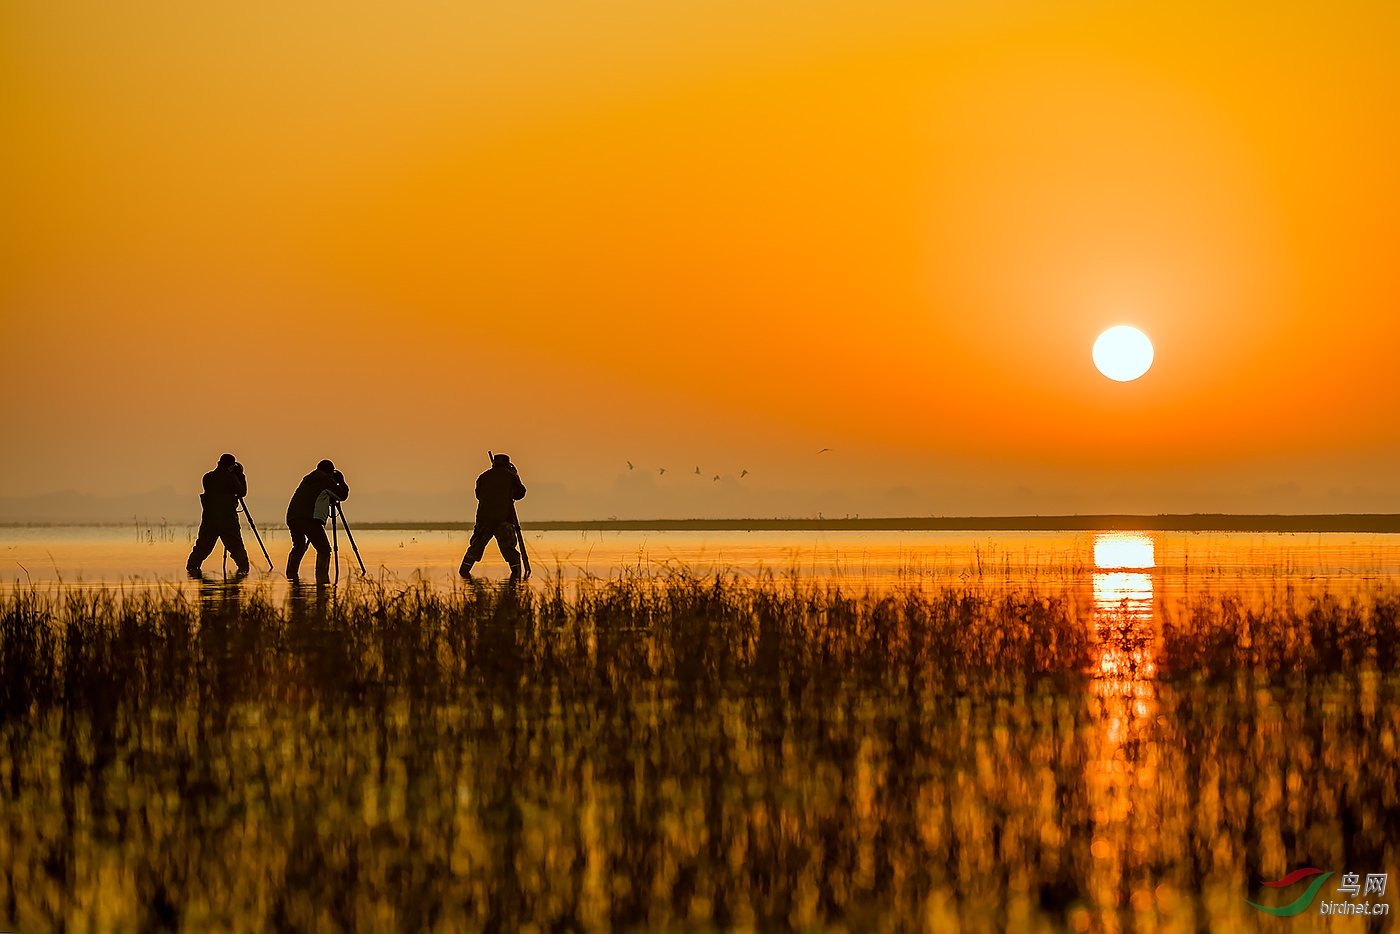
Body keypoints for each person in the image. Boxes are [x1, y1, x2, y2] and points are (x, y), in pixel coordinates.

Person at [460, 453, 527, 577]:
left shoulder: (483, 477)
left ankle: (463, 572)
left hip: (484, 519)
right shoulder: (510, 476)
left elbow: (478, 495)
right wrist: (515, 475)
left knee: (475, 548)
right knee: (509, 550)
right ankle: (516, 575)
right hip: (504, 519)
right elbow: (520, 494)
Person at [285, 459, 350, 582]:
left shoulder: (307, 479)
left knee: (299, 546)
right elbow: (342, 495)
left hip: (292, 517)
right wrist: (341, 481)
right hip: (309, 519)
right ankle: (322, 579)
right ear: (330, 471)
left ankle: (291, 577)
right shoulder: (326, 481)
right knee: (324, 549)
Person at [186, 453, 251, 576]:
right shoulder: (231, 478)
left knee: (202, 548)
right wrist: (240, 476)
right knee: (236, 547)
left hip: (209, 520)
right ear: (231, 466)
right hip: (227, 521)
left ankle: (191, 570)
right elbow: (242, 492)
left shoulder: (207, 477)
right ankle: (243, 572)